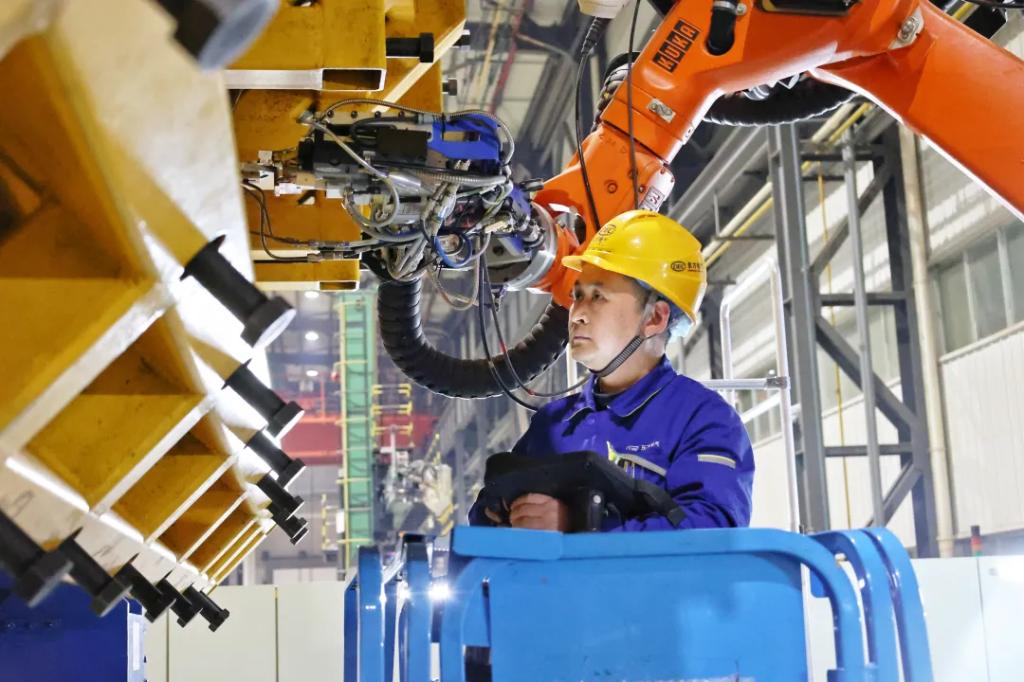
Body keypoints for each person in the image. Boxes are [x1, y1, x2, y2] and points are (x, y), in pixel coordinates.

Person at [468, 209, 754, 532]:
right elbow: (483, 517)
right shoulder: (553, 425)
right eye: (577, 295)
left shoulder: (703, 420)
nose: (576, 313)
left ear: (654, 318)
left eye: (597, 296)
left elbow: (710, 530)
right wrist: (506, 513)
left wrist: (579, 525)